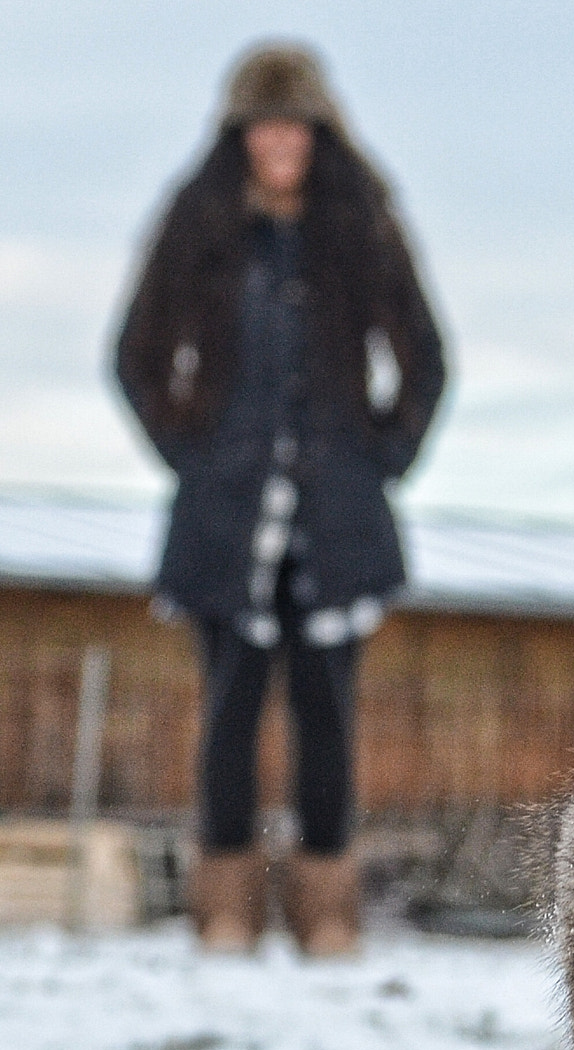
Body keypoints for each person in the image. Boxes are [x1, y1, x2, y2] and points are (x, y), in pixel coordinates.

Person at [115, 42, 445, 956]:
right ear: (239, 135)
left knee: (327, 718)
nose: (280, 143)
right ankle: (223, 911)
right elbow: (135, 356)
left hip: (335, 522)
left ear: (319, 131)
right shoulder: (197, 221)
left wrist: (382, 457)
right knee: (226, 714)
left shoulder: (361, 222)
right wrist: (192, 452)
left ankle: (326, 914)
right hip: (227, 522)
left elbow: (426, 355)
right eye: (264, 127)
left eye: (295, 126)